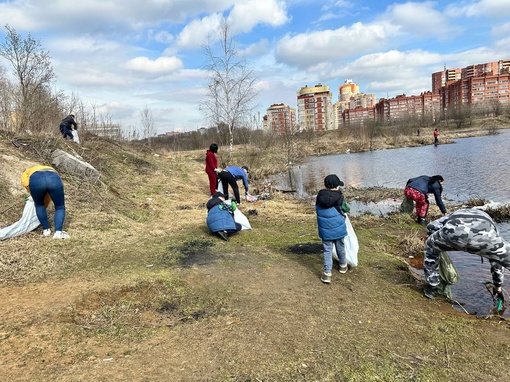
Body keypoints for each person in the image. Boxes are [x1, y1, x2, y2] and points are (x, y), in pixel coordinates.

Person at [423, 208, 510, 306]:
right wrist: (497, 286)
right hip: (484, 240)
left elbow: (431, 227)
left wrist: (437, 242)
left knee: (430, 247)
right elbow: (497, 263)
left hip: (453, 235)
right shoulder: (490, 222)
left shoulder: (455, 214)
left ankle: (432, 287)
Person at [316, 174, 349, 284]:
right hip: (338, 229)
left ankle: (327, 274)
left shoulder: (319, 197)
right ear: (336, 186)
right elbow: (346, 209)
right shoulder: (340, 197)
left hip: (325, 230)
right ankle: (343, 266)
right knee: (340, 247)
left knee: (327, 250)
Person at [21, 165, 69, 239]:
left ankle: (46, 230)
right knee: (60, 207)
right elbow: (48, 194)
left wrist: (31, 192)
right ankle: (58, 233)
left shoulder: (27, 172)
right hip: (53, 179)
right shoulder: (50, 168)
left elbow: (25, 182)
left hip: (36, 181)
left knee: (39, 205)